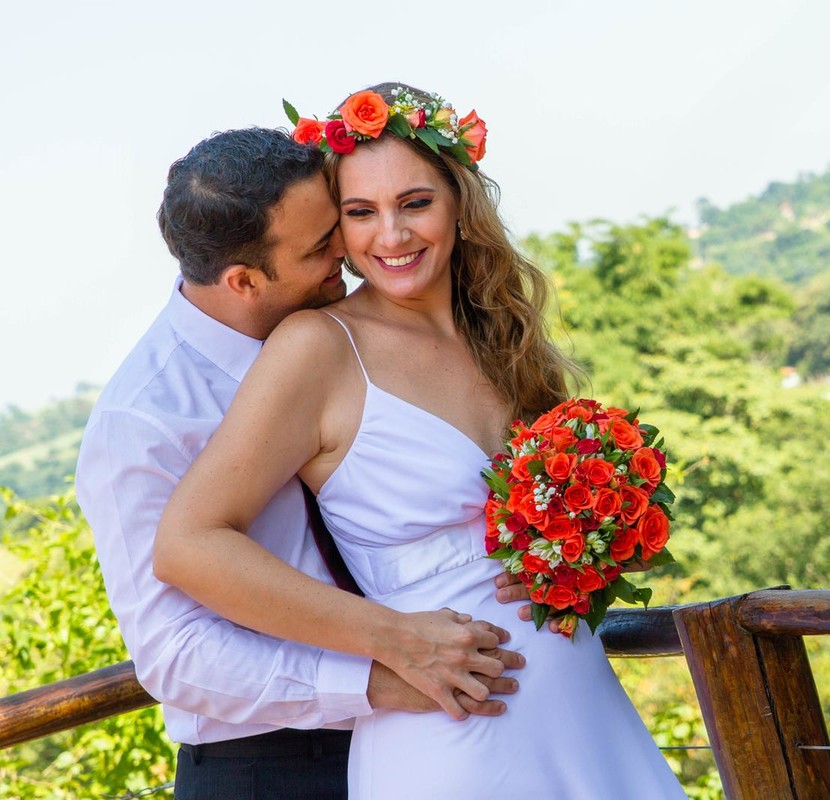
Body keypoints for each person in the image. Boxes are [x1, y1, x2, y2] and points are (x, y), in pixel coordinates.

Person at [153, 83, 686, 798]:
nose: (392, 236)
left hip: (580, 704)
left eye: (415, 203)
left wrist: (579, 553)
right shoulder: (317, 347)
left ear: (459, 204)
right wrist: (388, 638)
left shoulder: (498, 331)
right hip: (456, 732)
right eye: (360, 213)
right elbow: (188, 544)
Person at [76, 127, 534, 800]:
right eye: (322, 248)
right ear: (243, 280)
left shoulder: (352, 340)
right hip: (272, 766)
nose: (347, 260)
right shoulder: (141, 423)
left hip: (428, 723)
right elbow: (175, 655)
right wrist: (380, 673)